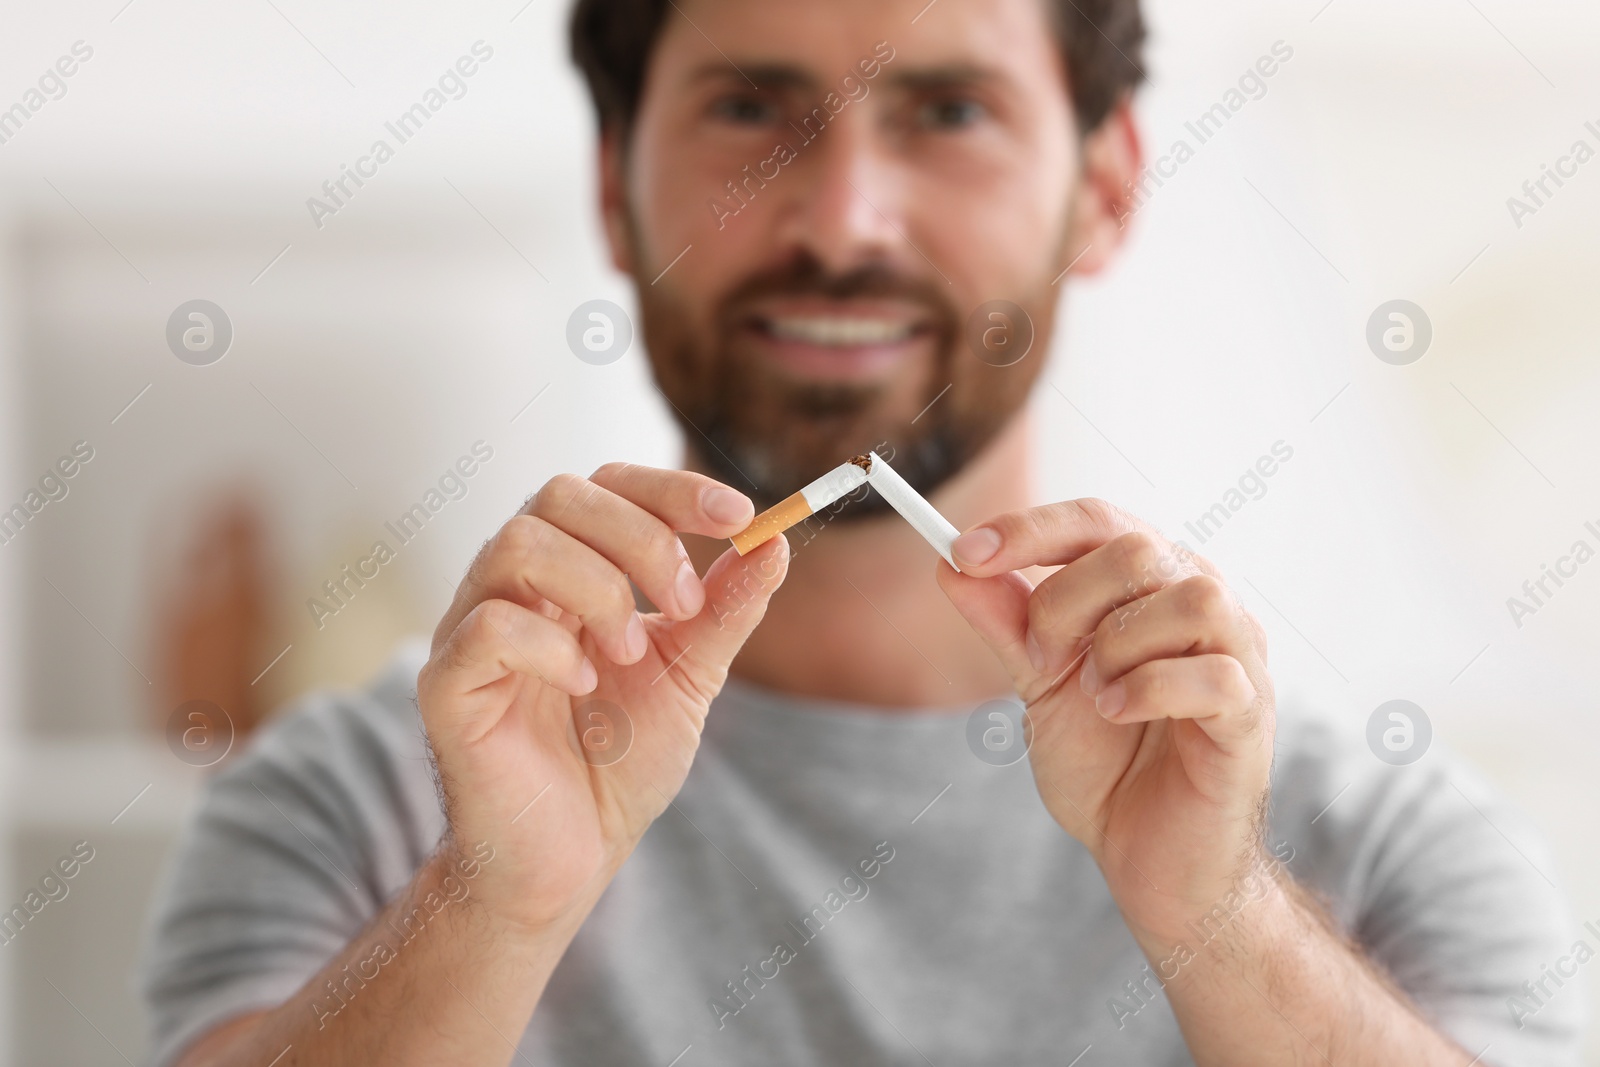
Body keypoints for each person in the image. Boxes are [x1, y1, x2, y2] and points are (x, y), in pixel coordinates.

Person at [139, 0, 1584, 1063]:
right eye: (751, 109)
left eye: (948, 112)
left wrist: (1220, 921)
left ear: (1104, 185)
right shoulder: (351, 804)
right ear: (609, 182)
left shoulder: (1378, 843)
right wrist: (490, 906)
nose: (844, 217)